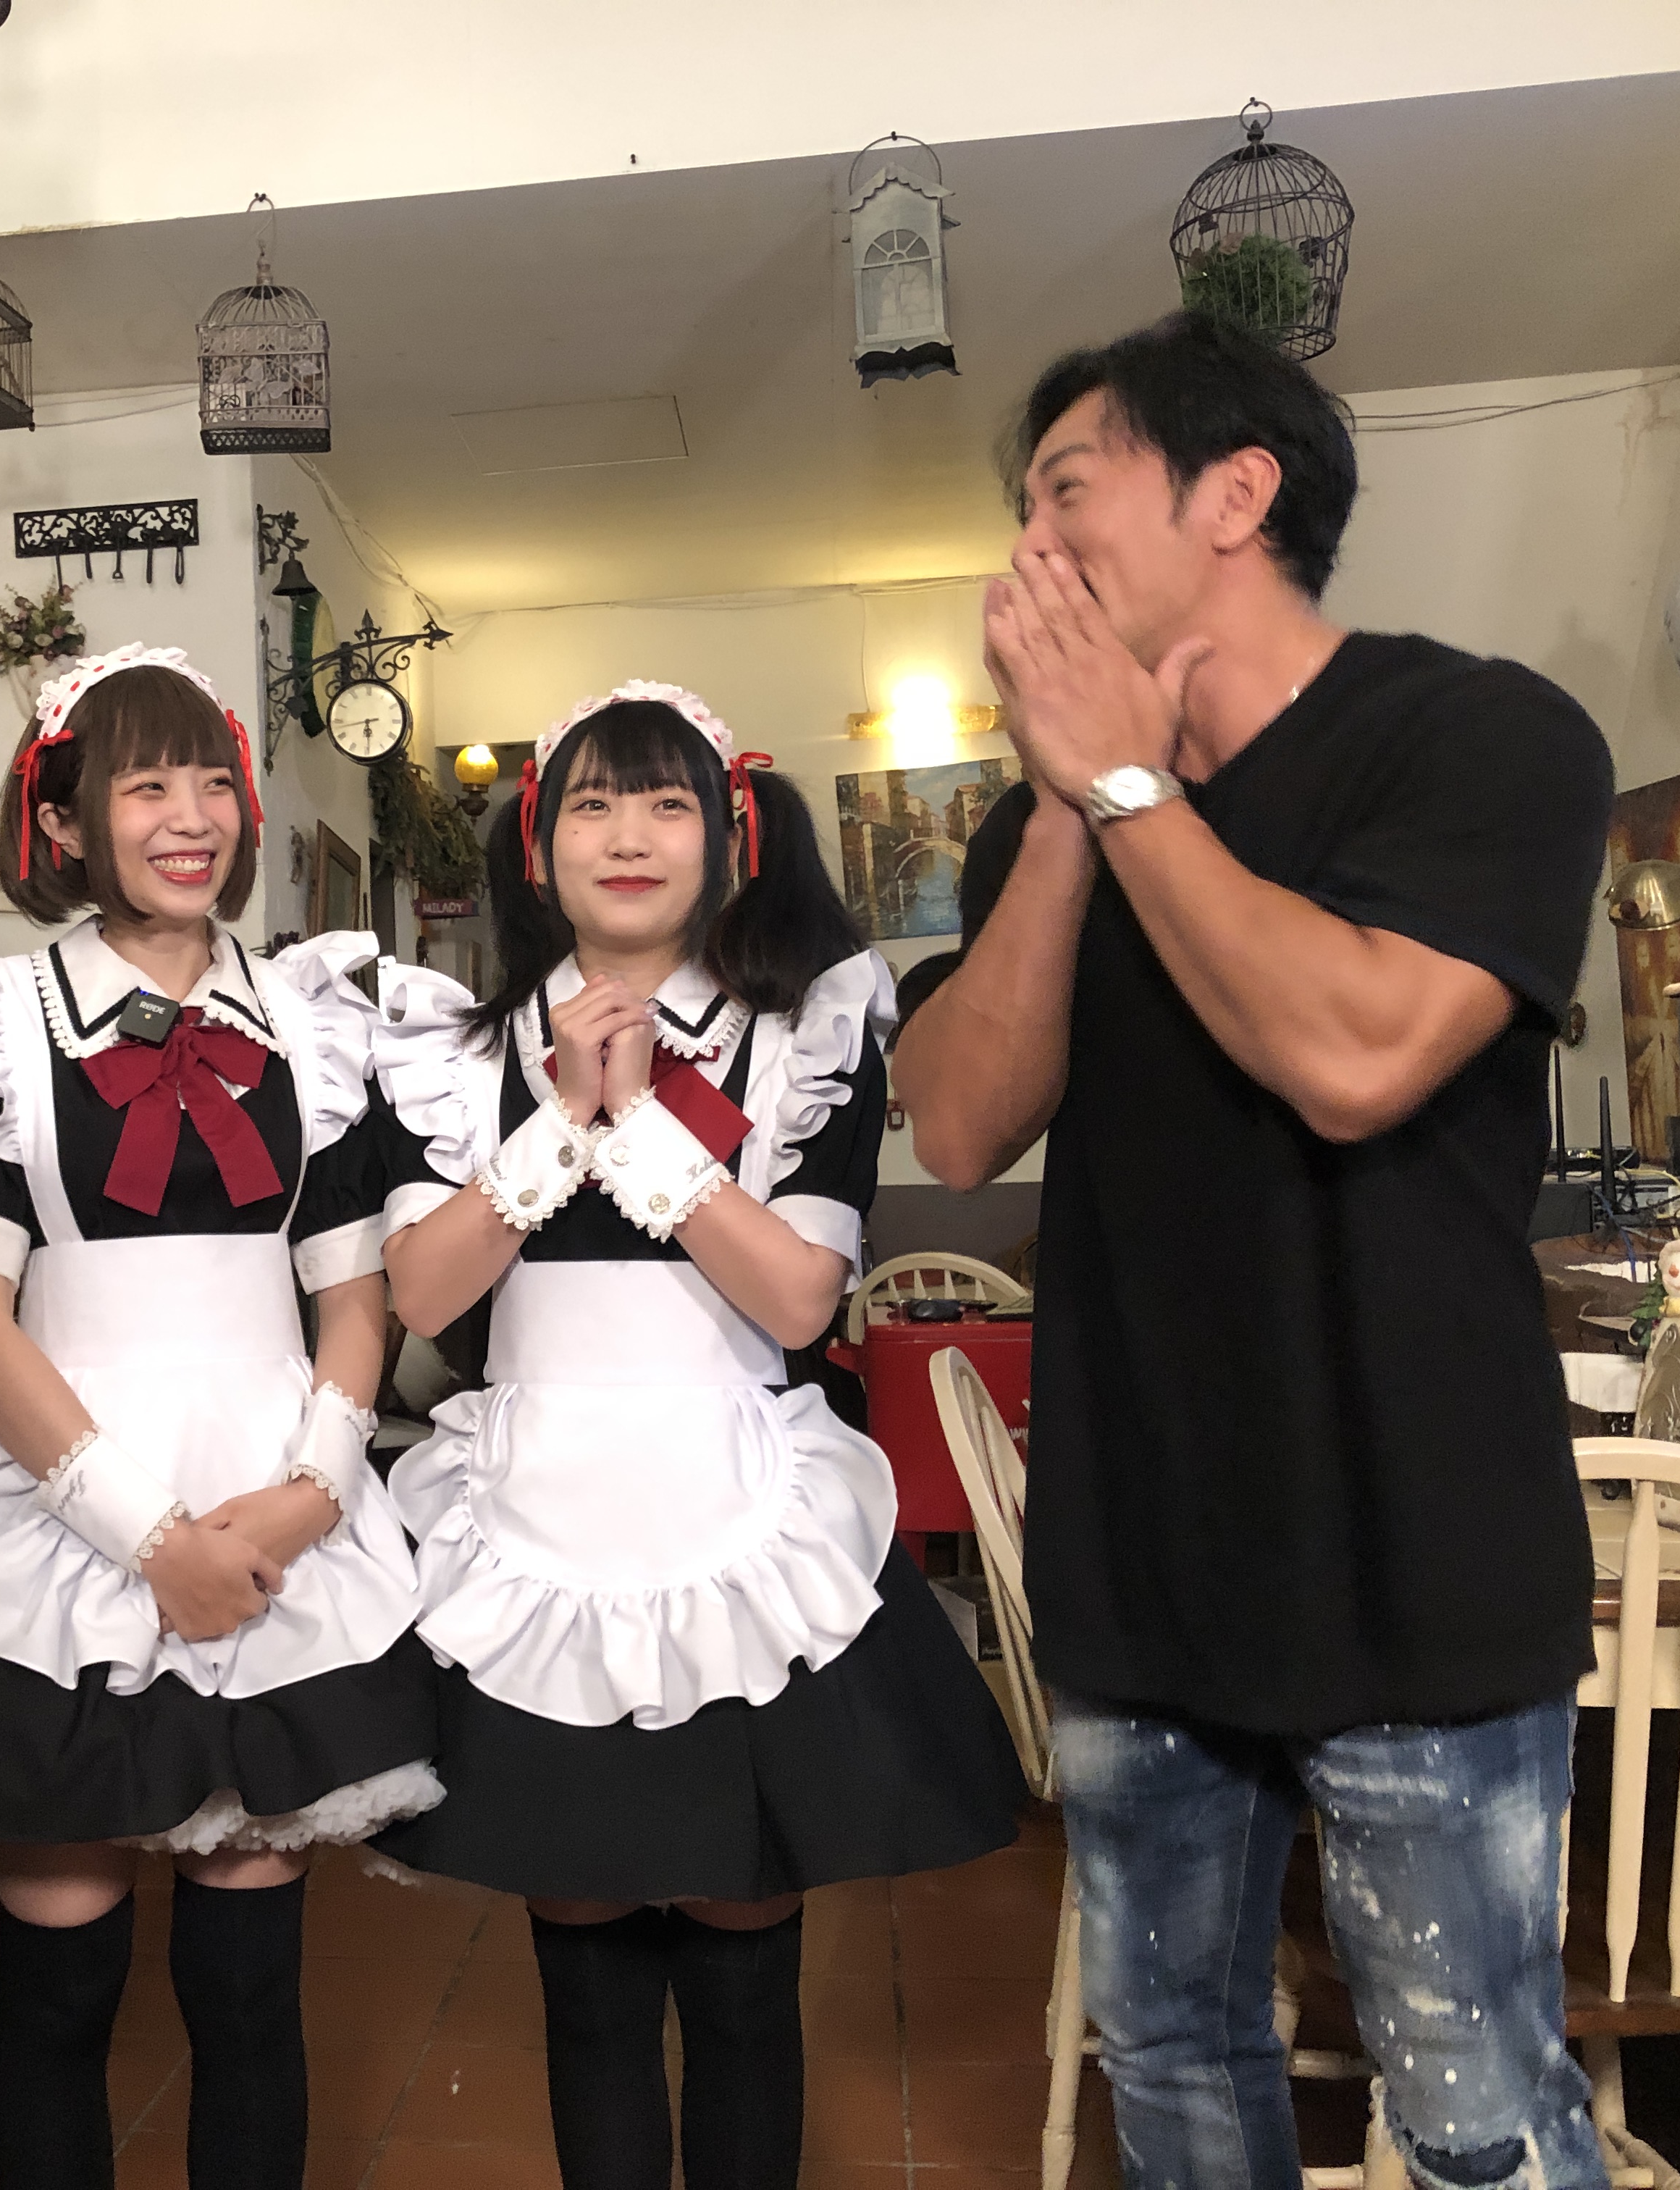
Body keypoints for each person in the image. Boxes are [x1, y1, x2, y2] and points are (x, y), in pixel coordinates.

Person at [892, 311, 1616, 2190]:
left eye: (1067, 490)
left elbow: (1356, 1058)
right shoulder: (1045, 823)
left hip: (1416, 1556)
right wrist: (1074, 806)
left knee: (1472, 2113)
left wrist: (1135, 794)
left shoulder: (1478, 737)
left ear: (1237, 493)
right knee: (1175, 2074)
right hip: (1139, 1562)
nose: (1030, 549)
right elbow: (957, 1125)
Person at [366, 683, 1025, 2190]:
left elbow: (797, 1299)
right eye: (592, 804)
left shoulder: (807, 1037)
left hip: (742, 1518)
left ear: (730, 839)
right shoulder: (453, 1048)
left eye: (667, 804)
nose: (629, 836)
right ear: (539, 847)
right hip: (532, 1528)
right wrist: (560, 1120)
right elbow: (423, 1291)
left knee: (743, 1943)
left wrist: (645, 1121)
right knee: (583, 1948)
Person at [0, 643, 439, 2190]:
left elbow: (353, 1298)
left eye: (213, 780)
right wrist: (147, 1538)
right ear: (67, 819)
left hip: (274, 1508)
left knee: (251, 1996)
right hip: (66, 1521)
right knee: (60, 1990)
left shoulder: (313, 1019)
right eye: (145, 784)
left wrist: (308, 1496)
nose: (191, 816)